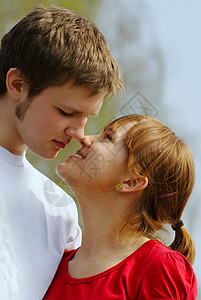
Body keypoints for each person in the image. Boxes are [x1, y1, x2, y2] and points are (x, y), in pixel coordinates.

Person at [0, 5, 123, 300]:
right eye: (66, 111)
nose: (79, 134)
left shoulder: (61, 211)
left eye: (87, 118)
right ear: (18, 84)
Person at [44, 114, 198, 299]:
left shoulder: (158, 268)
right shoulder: (53, 263)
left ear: (132, 182)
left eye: (107, 137)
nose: (85, 138)